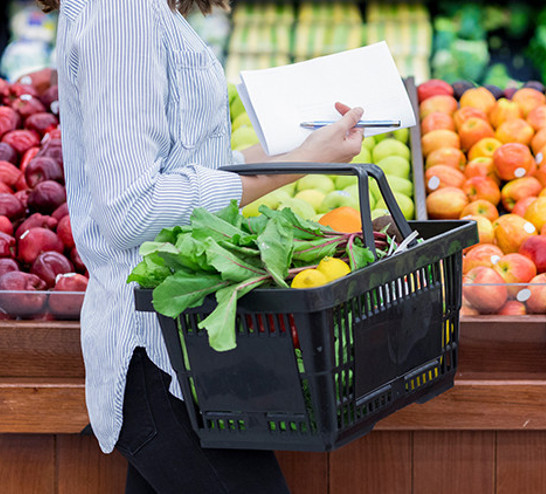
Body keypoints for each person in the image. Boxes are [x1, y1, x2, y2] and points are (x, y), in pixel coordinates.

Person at [42, 0, 365, 491]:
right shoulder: (122, 11)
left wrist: (302, 151)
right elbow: (132, 209)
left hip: (187, 351)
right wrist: (298, 163)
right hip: (158, 355)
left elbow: (185, 165)